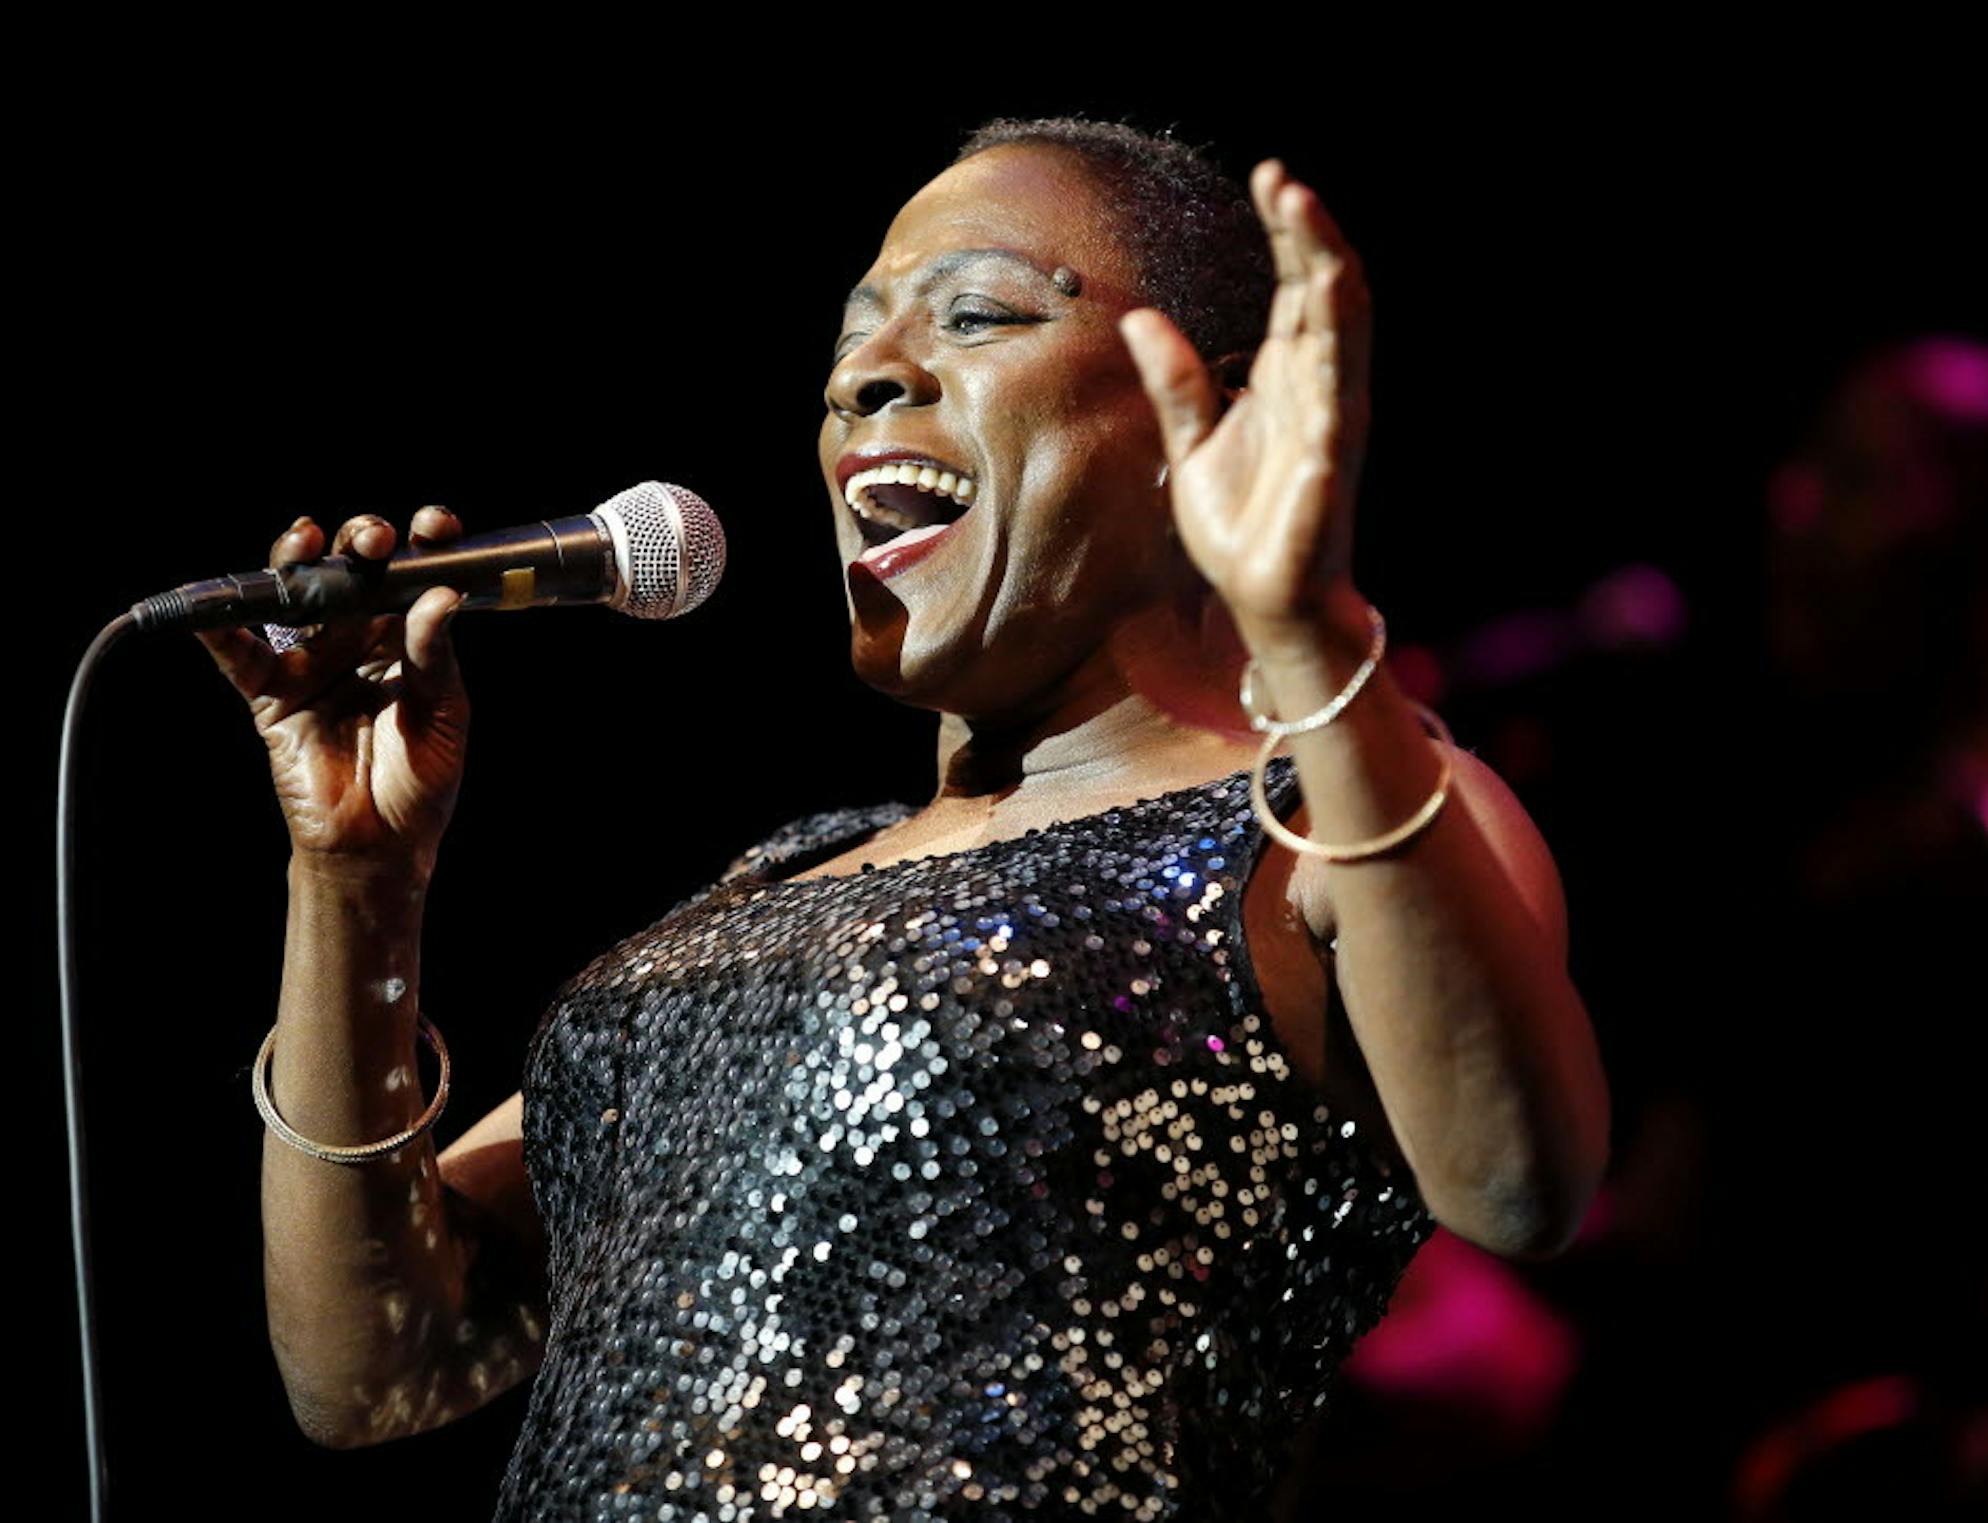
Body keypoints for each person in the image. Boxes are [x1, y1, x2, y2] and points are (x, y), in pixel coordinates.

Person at [196, 117, 1609, 1521]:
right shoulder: (774, 879)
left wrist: (1307, 637)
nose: (865, 379)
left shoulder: (1323, 811)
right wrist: (352, 881)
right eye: (849, 352)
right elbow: (372, 1368)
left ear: (1221, 417)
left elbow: (1515, 1178)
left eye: (978, 315)